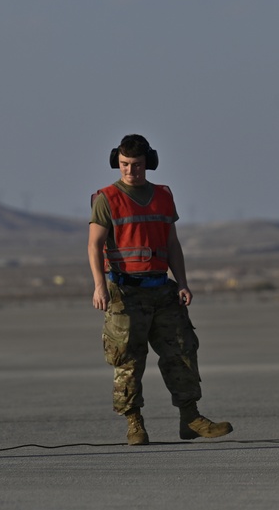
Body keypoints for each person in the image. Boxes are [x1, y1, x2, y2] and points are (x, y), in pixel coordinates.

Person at [87, 134, 232, 446]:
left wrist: (182, 282)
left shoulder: (163, 196)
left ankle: (190, 418)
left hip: (161, 290)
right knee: (128, 360)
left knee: (181, 351)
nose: (130, 171)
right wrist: (100, 286)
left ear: (148, 164)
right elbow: (94, 244)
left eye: (136, 165)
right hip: (126, 293)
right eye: (124, 164)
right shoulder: (106, 198)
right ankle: (134, 423)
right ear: (117, 161)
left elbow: (172, 244)